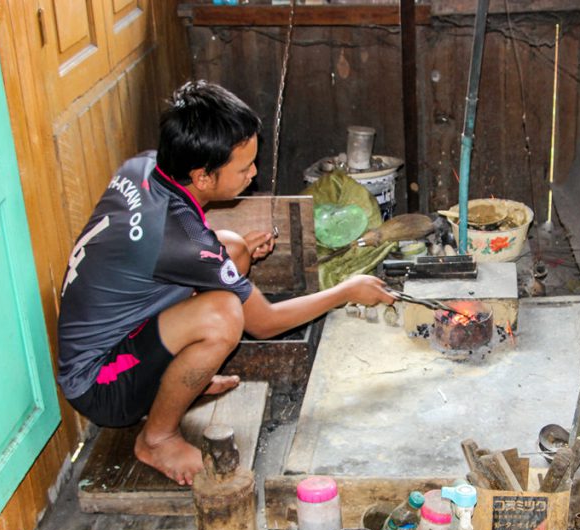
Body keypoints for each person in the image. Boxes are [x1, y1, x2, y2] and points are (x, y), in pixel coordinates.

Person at [57, 81, 394, 486]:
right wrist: (345, 290)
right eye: (243, 168)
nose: (253, 174)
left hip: (120, 334)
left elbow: (190, 246)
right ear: (201, 177)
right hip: (101, 383)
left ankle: (181, 381)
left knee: (233, 249)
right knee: (224, 317)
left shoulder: (146, 166)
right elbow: (263, 323)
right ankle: (157, 437)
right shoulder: (177, 244)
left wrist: (227, 257)